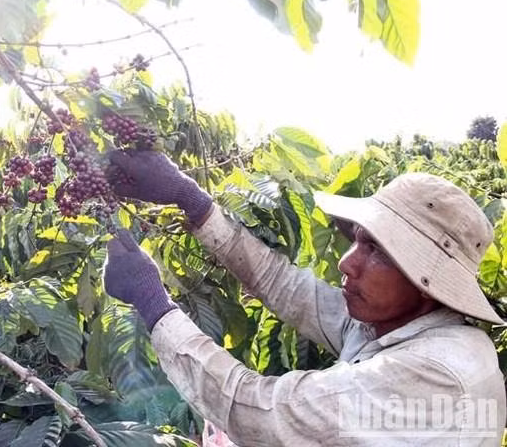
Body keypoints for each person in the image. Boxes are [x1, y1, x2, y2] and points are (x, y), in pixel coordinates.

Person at [102, 150, 506, 446]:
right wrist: (191, 199)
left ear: (427, 283)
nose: (347, 262)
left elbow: (259, 412)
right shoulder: (394, 324)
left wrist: (152, 300)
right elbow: (289, 289)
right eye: (357, 241)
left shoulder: (436, 373)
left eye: (378, 251)